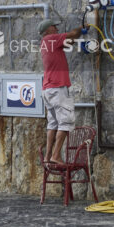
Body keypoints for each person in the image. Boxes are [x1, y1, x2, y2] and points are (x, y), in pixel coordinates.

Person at [39, 18, 85, 165]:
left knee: (53, 123)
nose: (57, 29)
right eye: (54, 26)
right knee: (66, 122)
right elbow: (71, 34)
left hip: (48, 90)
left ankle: (47, 157)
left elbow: (70, 41)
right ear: (48, 30)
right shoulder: (51, 39)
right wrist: (81, 27)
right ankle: (56, 155)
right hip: (58, 88)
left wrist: (78, 35)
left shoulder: (46, 43)